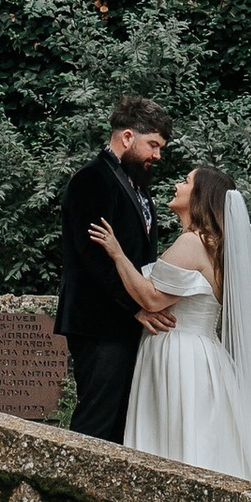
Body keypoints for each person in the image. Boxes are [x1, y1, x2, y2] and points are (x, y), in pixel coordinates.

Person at [86, 160, 251, 501]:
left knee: (185, 430)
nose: (178, 186)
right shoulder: (213, 247)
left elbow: (152, 298)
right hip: (200, 349)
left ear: (200, 196)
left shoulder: (192, 244)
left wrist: (116, 252)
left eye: (186, 182)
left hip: (181, 353)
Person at [55, 95, 174, 442]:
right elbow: (94, 259)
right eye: (153, 145)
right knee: (96, 422)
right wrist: (137, 307)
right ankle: (69, 492)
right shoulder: (91, 180)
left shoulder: (137, 184)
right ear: (126, 137)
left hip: (123, 325)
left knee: (121, 424)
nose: (157, 155)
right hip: (98, 325)